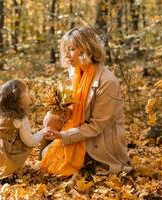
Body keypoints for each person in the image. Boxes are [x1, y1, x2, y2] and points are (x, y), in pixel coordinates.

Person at [40, 27, 131, 176]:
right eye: (66, 49)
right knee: (49, 124)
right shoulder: (75, 71)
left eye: (72, 49)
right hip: (78, 129)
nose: (66, 54)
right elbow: (69, 109)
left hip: (98, 139)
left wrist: (63, 136)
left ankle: (87, 160)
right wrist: (58, 108)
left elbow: (96, 126)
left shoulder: (108, 82)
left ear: (86, 49)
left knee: (54, 163)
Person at [0, 80, 51, 180]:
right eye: (26, 92)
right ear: (17, 100)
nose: (29, 94)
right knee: (22, 144)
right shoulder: (19, 119)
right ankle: (0, 171)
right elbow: (30, 142)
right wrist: (43, 132)